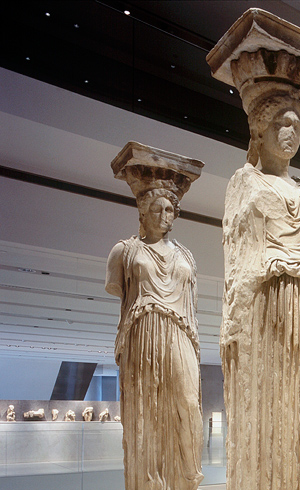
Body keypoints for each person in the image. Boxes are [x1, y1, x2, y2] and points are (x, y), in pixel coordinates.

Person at [207, 9, 300, 490]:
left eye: (297, 125)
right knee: (274, 419)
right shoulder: (244, 182)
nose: (291, 133)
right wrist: (234, 324)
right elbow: (236, 260)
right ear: (260, 129)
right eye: (281, 123)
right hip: (265, 308)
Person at [106, 142, 204, 490]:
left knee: (188, 403)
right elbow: (119, 290)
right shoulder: (125, 251)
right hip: (142, 334)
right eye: (158, 208)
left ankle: (188, 475)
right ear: (143, 211)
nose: (165, 215)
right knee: (147, 413)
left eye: (170, 210)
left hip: (179, 334)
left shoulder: (186, 256)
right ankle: (150, 482)